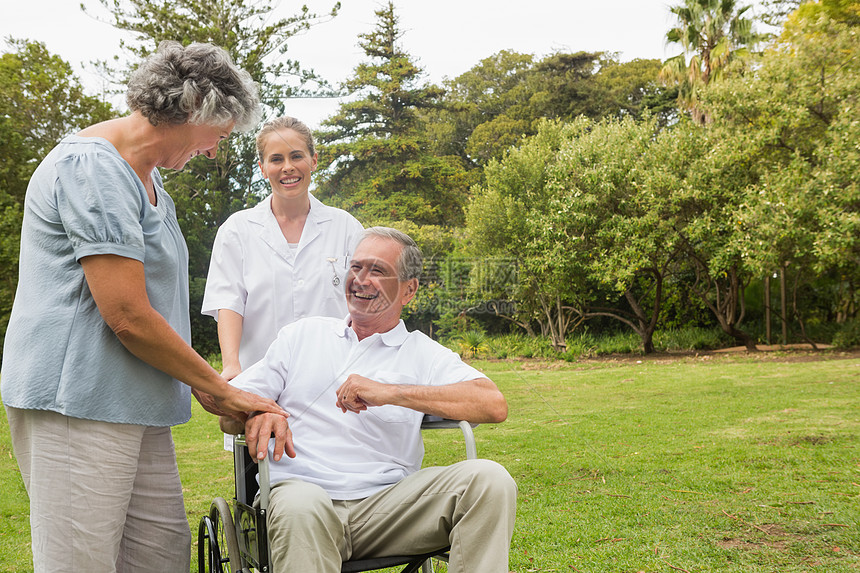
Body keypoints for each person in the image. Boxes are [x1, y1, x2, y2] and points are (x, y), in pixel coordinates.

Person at [1, 41, 288, 573]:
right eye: (218, 136)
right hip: (78, 402)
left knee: (160, 557)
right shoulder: (91, 168)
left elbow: (155, 303)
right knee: (79, 563)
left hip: (138, 402)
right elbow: (128, 316)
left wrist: (200, 383)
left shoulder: (150, 178)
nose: (212, 150)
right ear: (196, 109)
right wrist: (218, 387)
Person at [220, 227, 517, 573]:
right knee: (301, 505)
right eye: (356, 267)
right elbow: (226, 408)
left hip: (390, 508)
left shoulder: (423, 353)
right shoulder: (301, 336)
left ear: (409, 290)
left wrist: (392, 392)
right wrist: (255, 411)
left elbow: (493, 404)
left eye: (377, 271)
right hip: (305, 497)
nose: (360, 280)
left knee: (490, 481)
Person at [202, 116, 363, 382]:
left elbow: (364, 302)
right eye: (276, 159)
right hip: (260, 377)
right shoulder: (237, 230)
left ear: (313, 160)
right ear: (262, 168)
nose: (287, 167)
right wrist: (231, 365)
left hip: (333, 380)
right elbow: (228, 303)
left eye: (296, 156)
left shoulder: (346, 227)